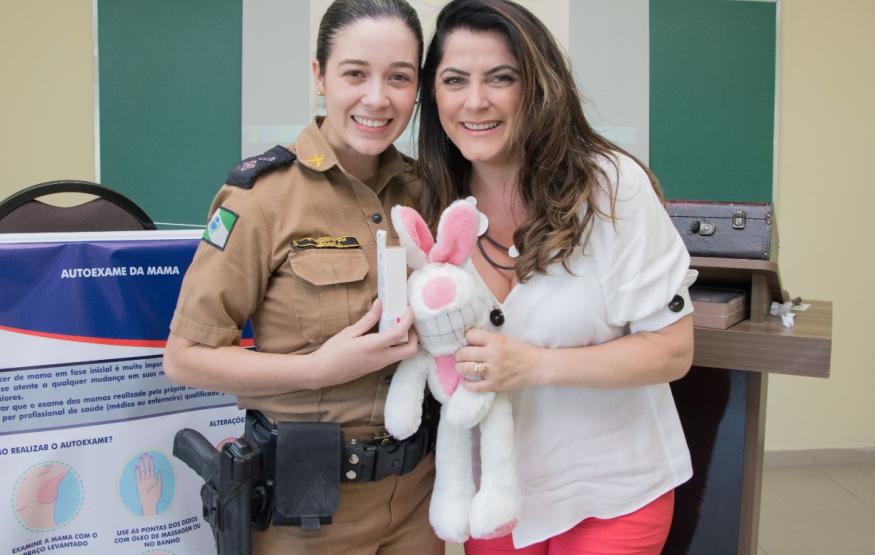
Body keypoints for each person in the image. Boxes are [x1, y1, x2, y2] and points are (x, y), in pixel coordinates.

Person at [416, 1, 696, 553]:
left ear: (538, 86)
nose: (476, 101)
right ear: (435, 96)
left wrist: (536, 366)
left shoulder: (612, 188)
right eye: (454, 80)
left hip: (614, 495)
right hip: (497, 500)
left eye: (502, 78)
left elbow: (672, 351)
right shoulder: (428, 204)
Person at [163, 1, 443, 553]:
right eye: (355, 73)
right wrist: (317, 368)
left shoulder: (426, 191)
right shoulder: (262, 197)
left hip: (418, 503)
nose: (377, 97)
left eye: (399, 78)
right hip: (307, 514)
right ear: (319, 76)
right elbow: (184, 356)